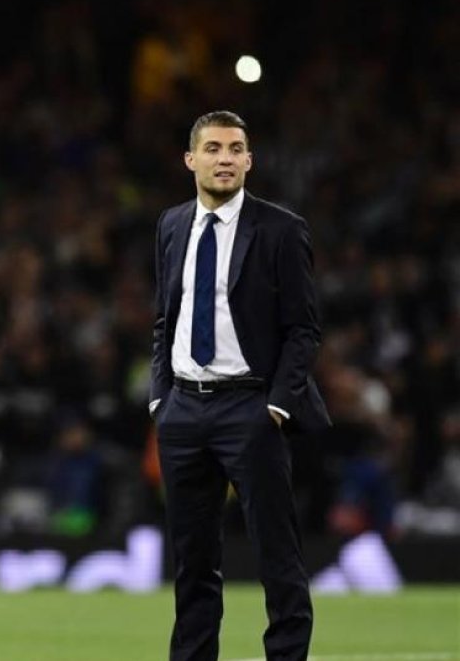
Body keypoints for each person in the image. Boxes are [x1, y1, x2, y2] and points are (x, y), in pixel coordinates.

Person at [149, 110, 331, 661]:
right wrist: (160, 396)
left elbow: (304, 329)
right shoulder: (172, 224)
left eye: (234, 149)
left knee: (277, 557)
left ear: (250, 160)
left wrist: (276, 405)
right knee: (192, 564)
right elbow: (165, 318)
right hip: (183, 411)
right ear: (190, 159)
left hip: (250, 409)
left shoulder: (281, 229)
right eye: (213, 148)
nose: (224, 159)